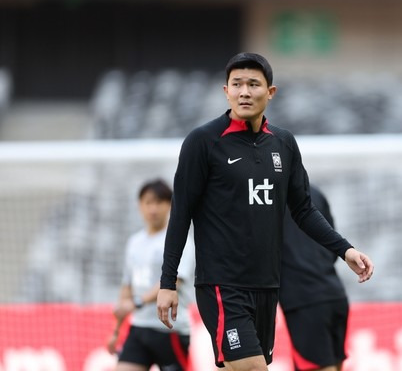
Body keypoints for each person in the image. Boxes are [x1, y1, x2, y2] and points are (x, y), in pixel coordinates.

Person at [156, 52, 374, 371]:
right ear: (226, 91)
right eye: (237, 84)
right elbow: (180, 215)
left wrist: (345, 250)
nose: (245, 91)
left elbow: (303, 210)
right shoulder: (203, 142)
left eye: (254, 84)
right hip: (222, 285)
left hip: (267, 287)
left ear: (270, 92)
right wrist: (167, 283)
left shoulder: (283, 144)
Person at [107, 179, 195, 371]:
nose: (153, 209)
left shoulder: (180, 241)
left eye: (159, 202)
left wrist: (137, 302)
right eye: (148, 202)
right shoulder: (134, 242)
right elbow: (126, 288)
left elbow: (174, 282)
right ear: (140, 206)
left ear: (169, 205)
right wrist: (116, 330)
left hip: (170, 329)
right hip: (139, 327)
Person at [280, 185, 349, 371]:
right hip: (335, 293)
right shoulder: (314, 193)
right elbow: (332, 246)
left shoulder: (264, 198)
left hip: (304, 301)